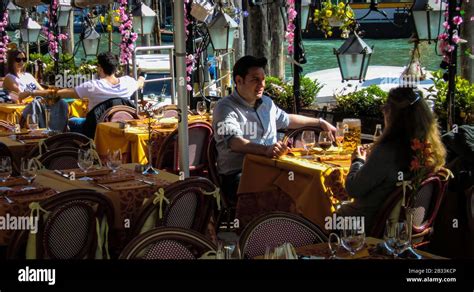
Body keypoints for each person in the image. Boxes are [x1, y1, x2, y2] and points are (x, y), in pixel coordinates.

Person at [212, 55, 336, 204]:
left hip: (272, 169)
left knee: (311, 182)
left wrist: (320, 122)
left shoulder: (266, 103)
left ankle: (310, 225)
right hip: (240, 175)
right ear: (239, 81)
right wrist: (266, 150)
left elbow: (287, 120)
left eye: (263, 79)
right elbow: (234, 142)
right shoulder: (225, 107)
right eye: (255, 80)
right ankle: (277, 225)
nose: (262, 84)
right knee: (294, 193)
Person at [338, 87, 446, 233]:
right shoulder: (430, 149)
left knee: (318, 211)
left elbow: (353, 189)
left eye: (384, 108)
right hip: (407, 227)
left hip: (369, 225)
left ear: (390, 113)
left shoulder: (387, 152)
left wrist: (358, 161)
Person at [31, 52, 145, 133]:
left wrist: (32, 93)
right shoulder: (128, 83)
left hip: (95, 128)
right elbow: (140, 83)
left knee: (72, 121)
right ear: (115, 68)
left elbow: (59, 93)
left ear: (100, 68)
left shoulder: (93, 86)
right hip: (121, 127)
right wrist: (142, 78)